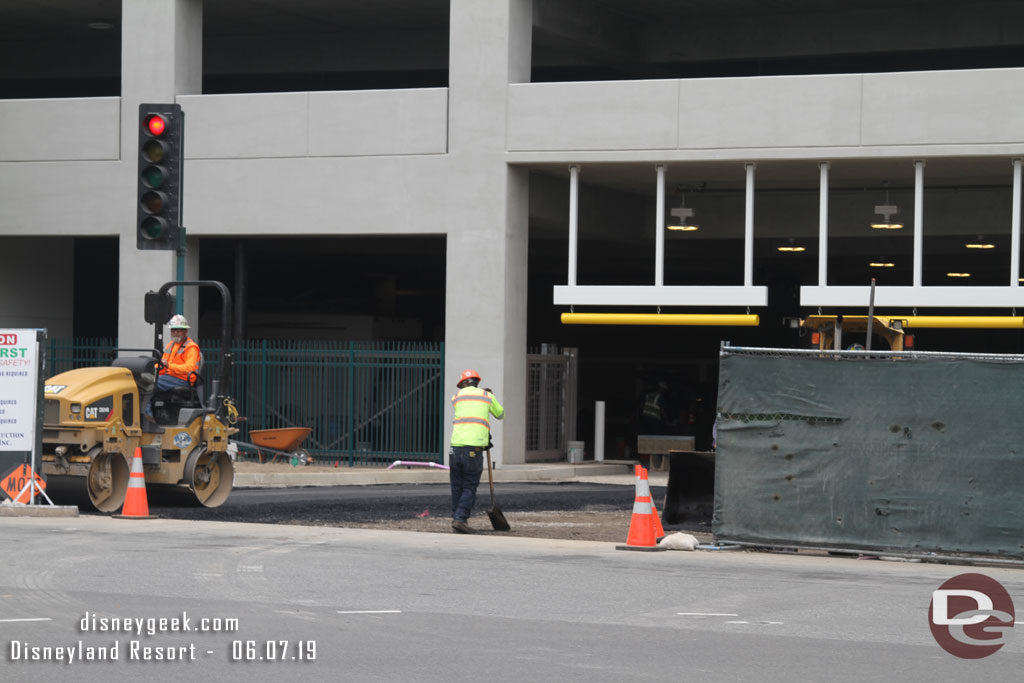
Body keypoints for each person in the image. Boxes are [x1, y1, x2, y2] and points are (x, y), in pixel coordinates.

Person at [448, 369, 504, 534]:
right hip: (473, 447)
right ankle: (460, 519)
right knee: (470, 485)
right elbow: (500, 414)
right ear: (477, 382)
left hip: (455, 447)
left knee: (456, 485)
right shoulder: (486, 396)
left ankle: (457, 517)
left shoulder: (457, 397)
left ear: (463, 384)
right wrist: (490, 396)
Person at [146, 314, 202, 419]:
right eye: (173, 330)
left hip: (183, 380)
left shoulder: (191, 347)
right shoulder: (171, 345)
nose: (175, 332)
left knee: (151, 384)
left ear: (185, 331)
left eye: (179, 330)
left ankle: (147, 416)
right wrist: (153, 368)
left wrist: (169, 366)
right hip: (169, 378)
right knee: (144, 380)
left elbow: (190, 369)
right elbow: (164, 365)